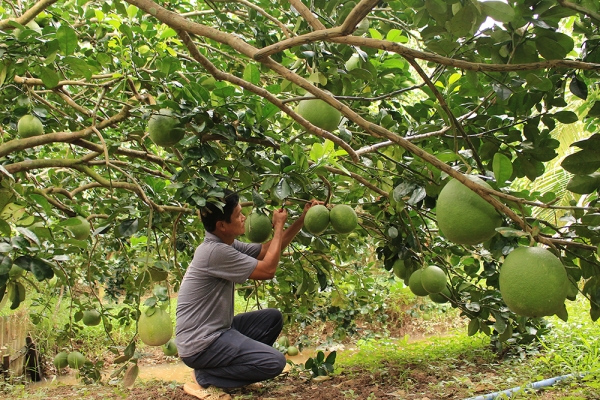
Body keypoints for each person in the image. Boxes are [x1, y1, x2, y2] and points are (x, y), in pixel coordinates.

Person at [175, 189, 319, 400]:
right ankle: (206, 376)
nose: (244, 217)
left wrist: (302, 220)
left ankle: (225, 371)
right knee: (274, 362)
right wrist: (277, 225)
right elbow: (268, 270)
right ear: (222, 225)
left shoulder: (224, 243)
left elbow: (269, 250)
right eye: (238, 215)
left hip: (217, 331)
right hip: (202, 344)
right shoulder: (215, 252)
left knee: (271, 319)